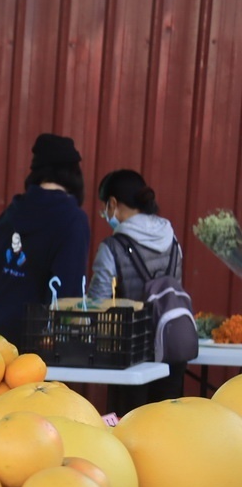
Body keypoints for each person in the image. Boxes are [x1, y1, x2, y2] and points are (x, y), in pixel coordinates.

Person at [0, 133, 91, 347]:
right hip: (34, 346)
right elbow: (68, 293)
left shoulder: (12, 212)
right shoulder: (72, 219)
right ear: (75, 174)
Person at [91, 169, 187, 411]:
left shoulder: (113, 247)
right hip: (171, 349)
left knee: (128, 430)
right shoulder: (172, 240)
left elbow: (96, 303)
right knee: (168, 427)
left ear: (113, 203)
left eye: (105, 207)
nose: (105, 213)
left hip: (129, 356)